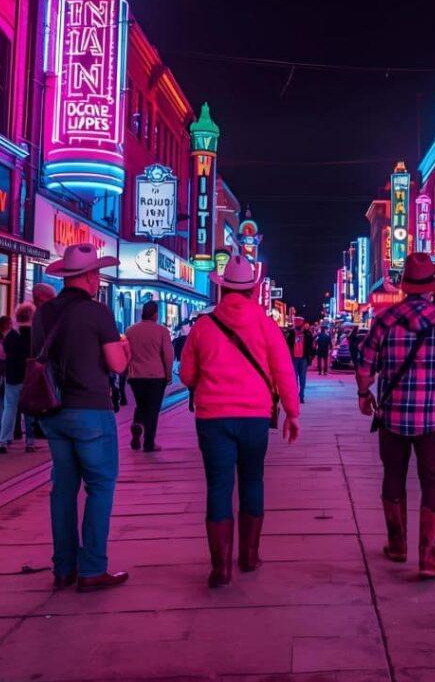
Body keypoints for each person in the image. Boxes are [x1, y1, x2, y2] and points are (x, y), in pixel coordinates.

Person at [180, 255, 300, 588]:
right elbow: (283, 371)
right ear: (252, 288)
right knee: (252, 481)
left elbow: (187, 374)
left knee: (218, 487)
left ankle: (220, 566)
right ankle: (249, 555)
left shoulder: (203, 326)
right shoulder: (266, 324)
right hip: (254, 418)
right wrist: (292, 412)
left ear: (222, 289)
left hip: (213, 419)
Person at [357, 252, 435, 580]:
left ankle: (397, 546)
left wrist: (364, 395)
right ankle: (429, 558)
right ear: (432, 287)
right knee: (433, 481)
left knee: (393, 475)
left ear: (404, 286)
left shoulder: (385, 320)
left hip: (392, 415)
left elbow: (365, 366)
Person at [33, 243, 131, 592]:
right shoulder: (97, 312)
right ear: (89, 277)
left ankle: (63, 569)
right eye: (97, 275)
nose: (98, 280)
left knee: (62, 490)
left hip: (53, 411)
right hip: (90, 409)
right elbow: (117, 365)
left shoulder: (43, 313)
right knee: (100, 487)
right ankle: (92, 569)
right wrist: (124, 351)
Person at [125, 300, 175, 452]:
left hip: (135, 375)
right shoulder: (162, 331)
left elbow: (126, 353)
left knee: (141, 405)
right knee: (153, 409)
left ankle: (137, 424)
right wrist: (168, 374)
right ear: (155, 314)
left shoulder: (130, 330)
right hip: (155, 375)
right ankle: (149, 443)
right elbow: (168, 355)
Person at [0, 302, 36, 454]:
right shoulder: (35, 334)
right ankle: (30, 442)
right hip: (29, 378)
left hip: (12, 376)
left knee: (9, 408)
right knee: (29, 411)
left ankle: (4, 440)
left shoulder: (11, 335)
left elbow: (2, 355)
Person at [286, 317, 314, 403]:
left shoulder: (307, 334)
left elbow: (311, 347)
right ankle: (295, 396)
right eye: (295, 322)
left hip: (303, 359)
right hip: (293, 359)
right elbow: (286, 346)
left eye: (298, 322)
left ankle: (301, 396)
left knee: (302, 378)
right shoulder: (290, 334)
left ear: (302, 323)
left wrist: (310, 358)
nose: (296, 323)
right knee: (294, 379)